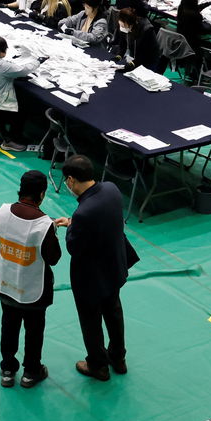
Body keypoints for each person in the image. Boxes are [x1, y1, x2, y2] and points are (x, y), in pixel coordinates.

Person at [54, 155, 135, 382]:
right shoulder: (111, 190)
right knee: (114, 313)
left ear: (70, 180)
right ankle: (118, 358)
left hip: (90, 278)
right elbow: (102, 220)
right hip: (114, 268)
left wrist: (72, 226)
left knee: (91, 322)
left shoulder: (83, 213)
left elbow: (74, 247)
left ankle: (97, 365)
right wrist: (74, 222)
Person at [0, 169, 61, 389]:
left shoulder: (2, 212)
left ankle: (8, 369)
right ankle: (31, 372)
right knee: (34, 330)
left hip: (5, 283)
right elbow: (54, 258)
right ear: (42, 193)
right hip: (33, 290)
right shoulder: (43, 225)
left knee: (8, 326)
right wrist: (52, 230)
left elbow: (17, 229)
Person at [0, 36, 40, 151]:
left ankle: (0, 132)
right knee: (22, 108)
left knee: (14, 100)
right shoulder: (1, 66)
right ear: (2, 51)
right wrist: (38, 61)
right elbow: (24, 70)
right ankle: (11, 140)